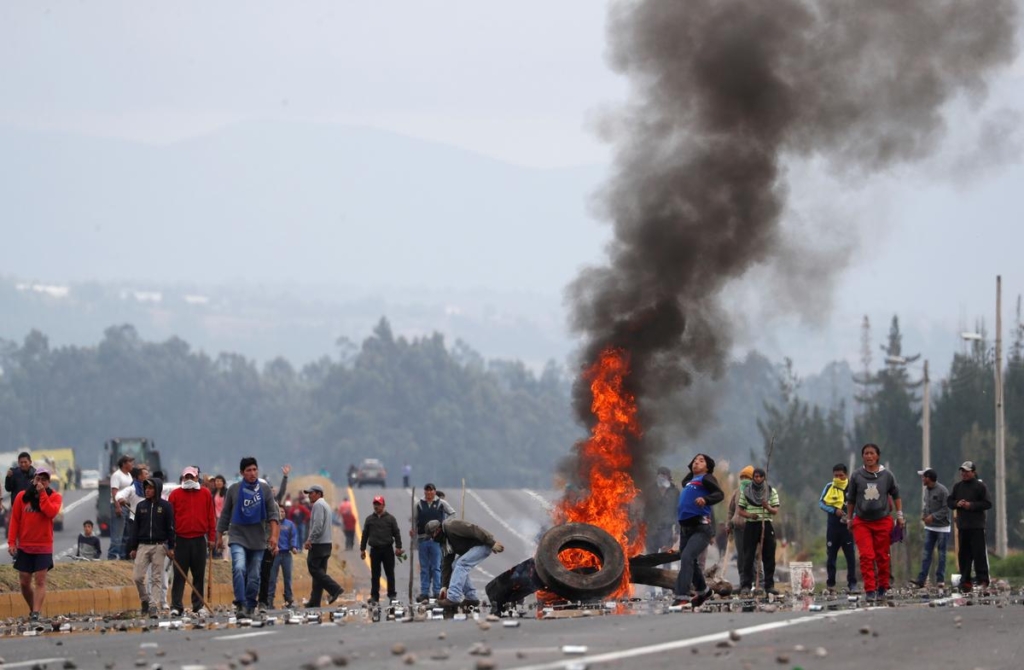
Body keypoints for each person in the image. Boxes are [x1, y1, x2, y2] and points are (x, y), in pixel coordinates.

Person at [216, 457, 281, 618]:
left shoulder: (264, 490)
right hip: (237, 536)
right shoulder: (234, 490)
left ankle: (251, 604)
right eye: (248, 470)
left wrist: (273, 536)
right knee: (239, 568)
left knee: (254, 576)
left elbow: (273, 515)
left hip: (258, 539)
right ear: (242, 473)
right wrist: (218, 537)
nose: (252, 473)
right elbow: (224, 515)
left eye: (254, 470)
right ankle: (240, 603)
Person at [846, 443, 905, 602]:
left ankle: (882, 587)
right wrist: (849, 518)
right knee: (866, 555)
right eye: (866, 453)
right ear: (862, 456)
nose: (869, 456)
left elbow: (896, 495)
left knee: (882, 556)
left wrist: (899, 515)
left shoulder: (887, 475)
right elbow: (850, 499)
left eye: (872, 453)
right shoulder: (856, 475)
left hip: (883, 521)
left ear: (877, 456)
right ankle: (870, 589)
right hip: (862, 522)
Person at [7, 465, 61, 621]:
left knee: (40, 580)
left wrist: (42, 492)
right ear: (33, 479)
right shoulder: (22, 497)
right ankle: (34, 609)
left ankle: (36, 613)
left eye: (44, 479)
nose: (40, 482)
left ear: (48, 482)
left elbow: (50, 512)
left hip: (43, 546)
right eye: (38, 478)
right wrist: (12, 542)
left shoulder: (54, 497)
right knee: (24, 581)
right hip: (25, 545)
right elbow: (15, 520)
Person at [673, 453, 725, 608]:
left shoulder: (706, 478)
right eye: (695, 461)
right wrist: (693, 468)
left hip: (700, 528)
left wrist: (705, 500)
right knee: (690, 560)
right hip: (685, 528)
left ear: (708, 467)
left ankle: (681, 596)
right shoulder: (689, 482)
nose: (696, 462)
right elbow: (685, 481)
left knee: (687, 557)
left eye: (701, 461)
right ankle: (704, 591)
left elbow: (719, 494)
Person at [168, 466, 216, 616]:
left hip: (199, 539)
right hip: (180, 540)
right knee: (179, 575)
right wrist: (171, 542)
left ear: (197, 478)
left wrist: (212, 538)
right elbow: (170, 520)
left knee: (198, 574)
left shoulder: (205, 493)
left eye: (192, 477)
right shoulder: (175, 494)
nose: (189, 479)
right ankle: (176, 606)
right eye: (186, 477)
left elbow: (211, 517)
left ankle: (198, 605)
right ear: (182, 478)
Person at [427, 518, 504, 607]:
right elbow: (447, 564)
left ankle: (453, 598)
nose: (433, 538)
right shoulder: (444, 542)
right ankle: (471, 598)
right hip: (473, 548)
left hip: (483, 544)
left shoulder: (451, 526)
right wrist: (444, 586)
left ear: (438, 529)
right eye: (431, 536)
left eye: (433, 534)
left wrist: (492, 543)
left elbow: (474, 529)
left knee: (461, 564)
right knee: (455, 565)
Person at [127, 478, 175, 615]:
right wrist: (133, 547)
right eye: (146, 488)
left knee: (156, 578)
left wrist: (171, 547)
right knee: (137, 577)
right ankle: (145, 600)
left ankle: (154, 606)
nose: (147, 490)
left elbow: (170, 528)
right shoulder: (141, 506)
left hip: (159, 547)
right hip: (142, 546)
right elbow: (135, 528)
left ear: (157, 490)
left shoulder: (166, 507)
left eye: (150, 488)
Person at [947, 460, 992, 593]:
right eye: (962, 471)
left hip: (977, 526)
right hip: (963, 526)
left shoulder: (980, 486)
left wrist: (971, 505)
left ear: (973, 472)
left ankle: (982, 580)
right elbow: (950, 501)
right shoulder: (958, 487)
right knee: (964, 555)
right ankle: (965, 581)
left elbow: (987, 503)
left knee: (979, 554)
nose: (964, 474)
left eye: (967, 471)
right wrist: (957, 503)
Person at [738, 467, 781, 596]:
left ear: (764, 478)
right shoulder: (746, 491)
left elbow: (775, 510)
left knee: (769, 556)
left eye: (760, 477)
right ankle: (746, 585)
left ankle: (769, 585)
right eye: (755, 477)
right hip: (751, 525)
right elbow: (740, 510)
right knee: (748, 556)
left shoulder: (770, 490)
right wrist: (750, 516)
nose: (757, 479)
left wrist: (766, 506)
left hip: (766, 523)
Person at [907, 467, 951, 589]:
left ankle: (940, 580)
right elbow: (927, 505)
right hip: (930, 528)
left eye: (923, 477)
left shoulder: (943, 491)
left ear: (929, 478)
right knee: (926, 554)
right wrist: (924, 514)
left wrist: (933, 517)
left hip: (942, 528)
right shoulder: (926, 490)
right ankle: (921, 579)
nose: (922, 479)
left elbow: (946, 508)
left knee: (942, 555)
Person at [411, 483, 456, 601]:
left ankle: (437, 591)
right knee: (424, 567)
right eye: (427, 491)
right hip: (422, 539)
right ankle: (424, 592)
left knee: (436, 566)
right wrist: (413, 530)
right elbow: (414, 519)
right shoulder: (419, 504)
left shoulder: (441, 503)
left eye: (431, 491)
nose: (429, 493)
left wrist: (445, 525)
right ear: (424, 492)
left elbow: (452, 513)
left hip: (436, 540)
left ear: (434, 492)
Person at [303, 484, 344, 607]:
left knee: (314, 569)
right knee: (319, 573)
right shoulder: (326, 505)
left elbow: (318, 525)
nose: (309, 495)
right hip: (327, 543)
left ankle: (335, 589)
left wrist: (310, 539)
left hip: (319, 544)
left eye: (311, 493)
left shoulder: (318, 505)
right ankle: (315, 601)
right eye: (308, 493)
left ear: (319, 493)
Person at [819, 463, 857, 593]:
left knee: (850, 556)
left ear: (846, 475)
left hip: (848, 527)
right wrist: (834, 510)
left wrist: (852, 517)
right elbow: (821, 503)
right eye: (836, 476)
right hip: (833, 526)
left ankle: (852, 583)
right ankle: (830, 584)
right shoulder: (829, 487)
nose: (838, 478)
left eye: (841, 475)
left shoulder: (852, 487)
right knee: (831, 556)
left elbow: (858, 505)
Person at [256, 465, 290, 613]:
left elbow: (282, 492)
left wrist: (285, 477)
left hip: (269, 544)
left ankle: (265, 601)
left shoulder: (273, 504)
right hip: (254, 544)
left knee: (267, 574)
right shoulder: (252, 502)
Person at [359, 495, 404, 604]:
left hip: (387, 550)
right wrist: (362, 549)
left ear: (383, 505)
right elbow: (365, 535)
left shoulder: (390, 519)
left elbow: (396, 533)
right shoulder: (369, 519)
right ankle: (374, 596)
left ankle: (392, 595)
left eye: (378, 504)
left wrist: (398, 547)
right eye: (375, 504)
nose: (376, 506)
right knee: (375, 574)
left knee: (390, 573)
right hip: (374, 550)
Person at [268, 503, 299, 609]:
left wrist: (294, 546)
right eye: (279, 511)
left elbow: (293, 536)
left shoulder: (290, 524)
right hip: (274, 555)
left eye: (283, 511)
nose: (281, 513)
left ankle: (289, 599)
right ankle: (269, 600)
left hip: (286, 554)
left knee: (288, 578)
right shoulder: (272, 524)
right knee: (272, 578)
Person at [728, 465, 754, 580]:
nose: (744, 480)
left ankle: (755, 582)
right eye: (742, 477)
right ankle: (743, 581)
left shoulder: (755, 493)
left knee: (752, 556)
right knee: (741, 556)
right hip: (738, 528)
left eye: (747, 477)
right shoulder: (736, 492)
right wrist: (729, 524)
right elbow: (731, 510)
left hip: (752, 528)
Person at [646, 466, 679, 554]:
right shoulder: (650, 490)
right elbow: (646, 510)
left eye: (664, 475)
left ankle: (665, 568)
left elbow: (677, 511)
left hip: (667, 530)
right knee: (651, 556)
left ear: (669, 477)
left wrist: (677, 531)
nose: (662, 477)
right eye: (660, 475)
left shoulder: (675, 492)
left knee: (667, 556)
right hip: (652, 530)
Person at [108, 455, 135, 560]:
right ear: (124, 464)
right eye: (130, 462)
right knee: (117, 534)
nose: (132, 464)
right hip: (119, 506)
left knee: (126, 534)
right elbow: (114, 492)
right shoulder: (117, 475)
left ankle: (123, 556)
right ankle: (112, 556)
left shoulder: (129, 475)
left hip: (127, 506)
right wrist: (117, 507)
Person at [211, 474, 228, 559]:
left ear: (223, 482)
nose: (218, 483)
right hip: (215, 517)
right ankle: (216, 553)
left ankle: (224, 554)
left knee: (224, 536)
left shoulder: (227, 493)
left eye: (220, 481)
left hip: (224, 517)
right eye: (217, 481)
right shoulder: (213, 493)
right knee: (215, 535)